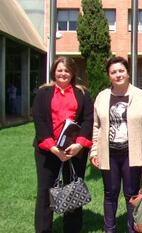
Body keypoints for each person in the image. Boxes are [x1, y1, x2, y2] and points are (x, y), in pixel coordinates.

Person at [89, 56, 142, 233]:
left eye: (121, 71)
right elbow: (96, 125)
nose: (118, 74)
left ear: (127, 72)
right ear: (109, 75)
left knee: (131, 194)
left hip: (132, 153)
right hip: (109, 153)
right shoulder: (102, 97)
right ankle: (109, 229)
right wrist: (94, 150)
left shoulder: (141, 95)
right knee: (110, 194)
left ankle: (132, 229)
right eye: (113, 72)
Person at [32, 56, 93, 233]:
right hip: (48, 150)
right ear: (54, 71)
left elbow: (88, 120)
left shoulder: (82, 93)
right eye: (60, 70)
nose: (63, 73)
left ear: (72, 73)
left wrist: (79, 145)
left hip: (74, 151)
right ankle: (44, 229)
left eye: (67, 70)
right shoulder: (43, 93)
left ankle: (72, 229)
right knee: (45, 191)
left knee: (72, 189)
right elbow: (39, 120)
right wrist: (53, 148)